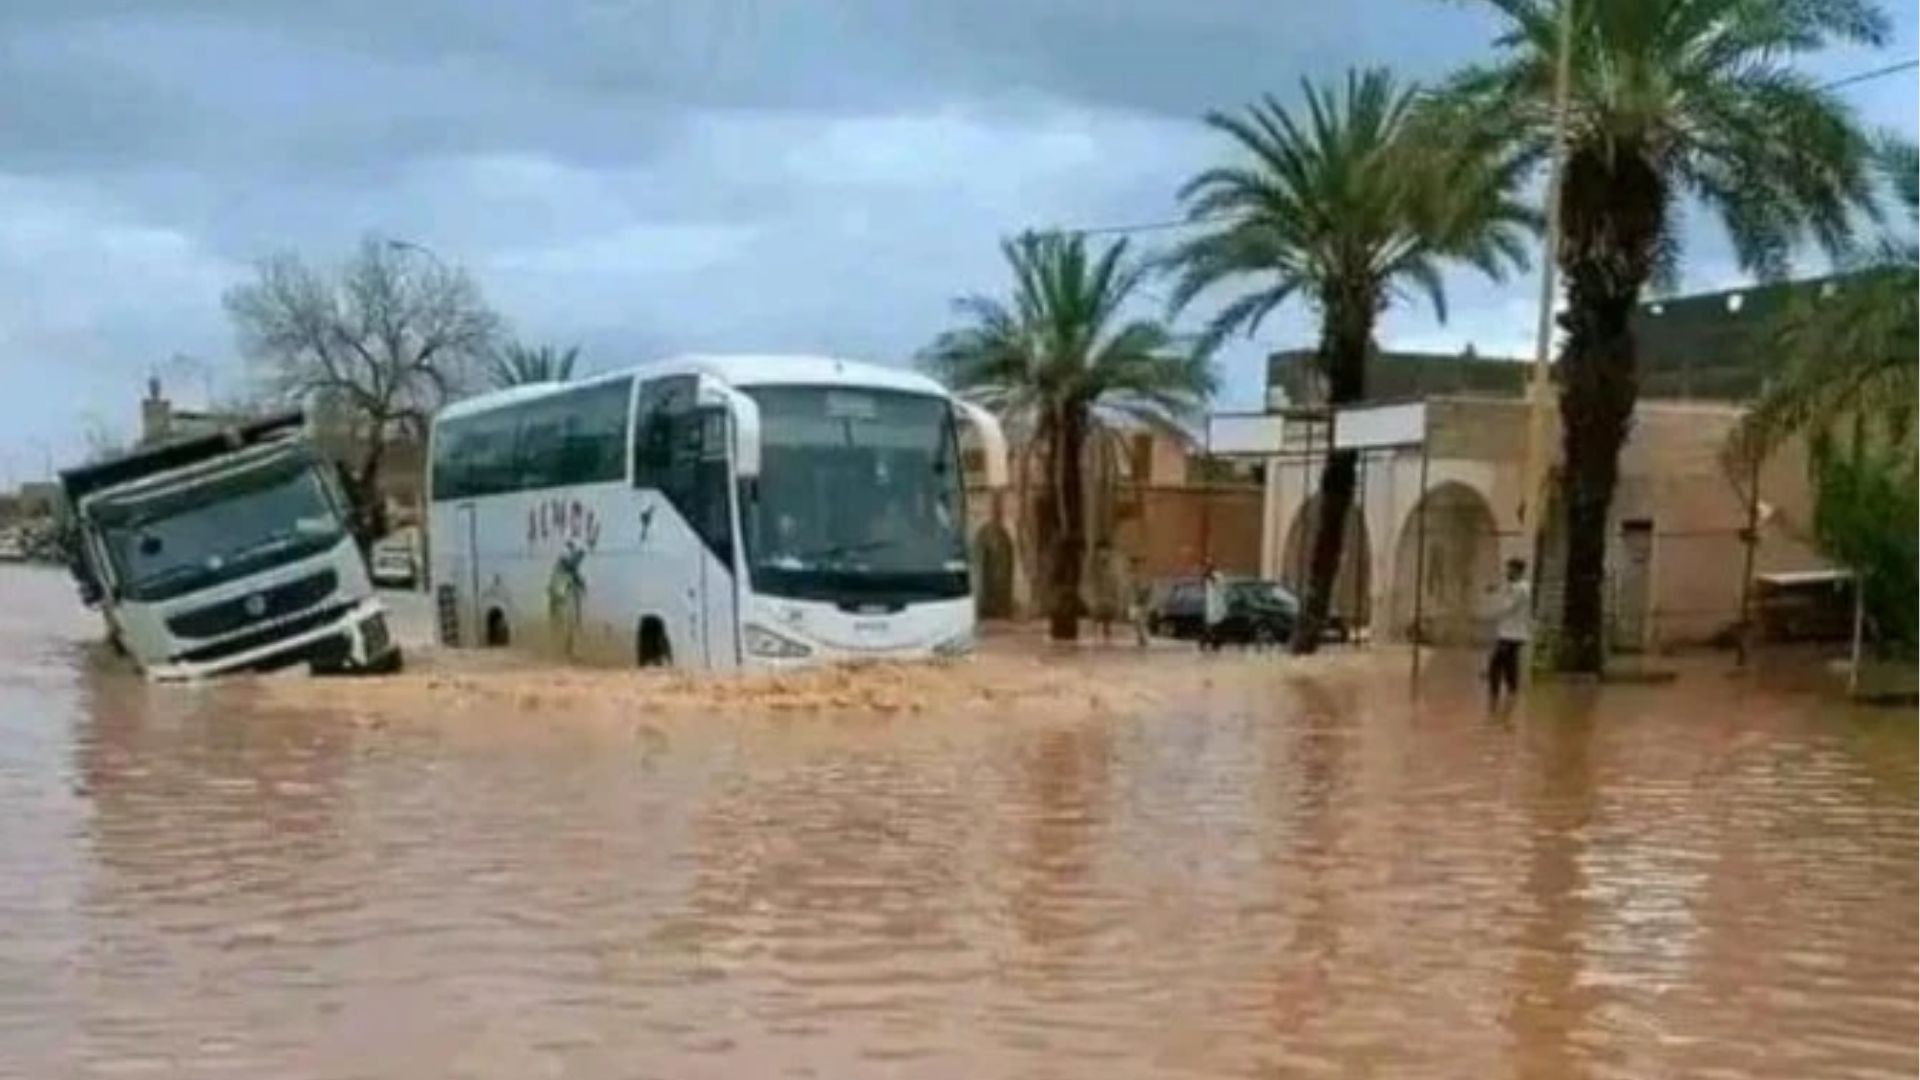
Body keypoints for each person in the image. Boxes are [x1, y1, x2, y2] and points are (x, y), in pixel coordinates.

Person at [1484, 557, 1532, 709]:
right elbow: (1507, 590)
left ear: (1518, 571)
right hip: (1510, 633)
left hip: (1512, 634)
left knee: (1496, 664)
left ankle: (1496, 698)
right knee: (1508, 665)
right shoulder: (1518, 587)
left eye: (1510, 569)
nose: (1507, 572)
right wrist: (1497, 588)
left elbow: (1507, 607)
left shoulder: (1520, 589)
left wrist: (1492, 613)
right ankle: (1509, 697)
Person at [1201, 564, 1227, 652]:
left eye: (1209, 569)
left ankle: (1214, 643)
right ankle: (1208, 643)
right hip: (1211, 607)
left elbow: (1219, 585)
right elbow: (1206, 588)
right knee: (1210, 626)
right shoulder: (1207, 579)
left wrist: (1210, 577)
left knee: (1215, 627)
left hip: (1217, 606)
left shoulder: (1218, 576)